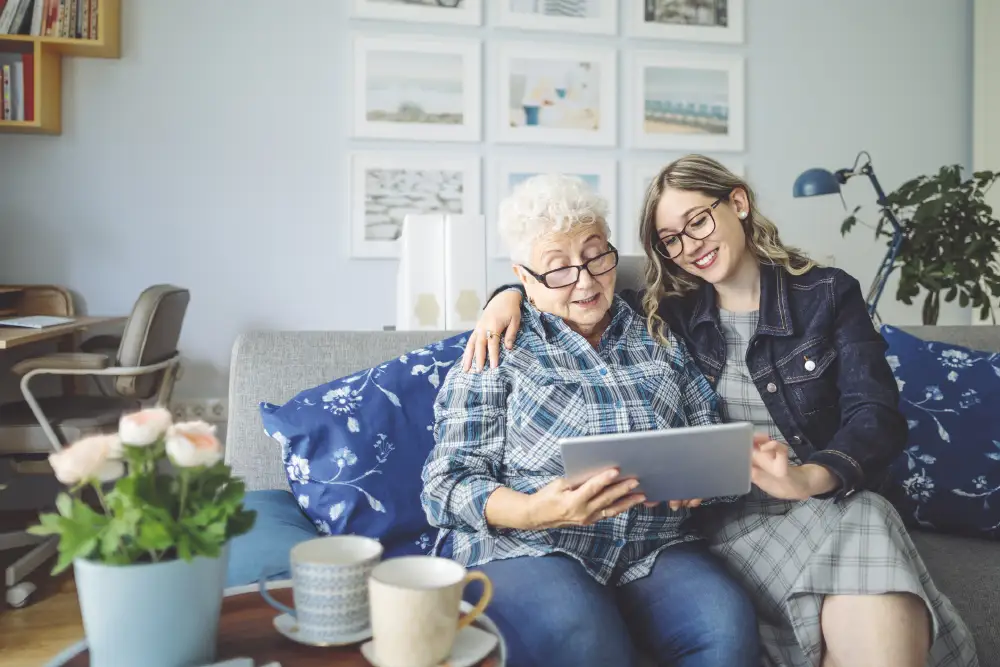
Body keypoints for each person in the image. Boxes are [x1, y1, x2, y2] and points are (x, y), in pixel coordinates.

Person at [462, 156, 979, 667]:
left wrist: (801, 478)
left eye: (699, 221)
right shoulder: (666, 311)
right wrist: (506, 297)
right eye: (672, 239)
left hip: (816, 497)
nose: (691, 246)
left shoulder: (808, 296)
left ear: (738, 202)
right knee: (867, 527)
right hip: (728, 520)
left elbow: (875, 415)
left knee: (867, 517)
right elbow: (561, 284)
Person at [420, 173, 760, 667]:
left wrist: (704, 478)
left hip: (652, 546)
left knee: (725, 622)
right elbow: (444, 485)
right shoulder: (497, 349)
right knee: (585, 633)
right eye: (558, 270)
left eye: (597, 256)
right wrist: (535, 510)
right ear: (524, 278)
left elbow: (708, 430)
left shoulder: (658, 332)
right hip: (531, 547)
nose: (585, 280)